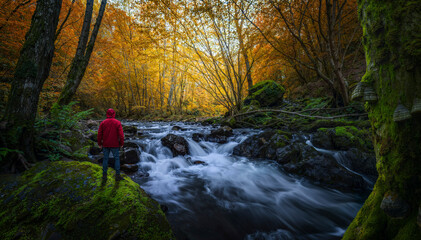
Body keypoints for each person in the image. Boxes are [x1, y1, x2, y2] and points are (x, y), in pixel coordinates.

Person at [97, 108, 124, 181]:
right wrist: (121, 143)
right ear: (114, 114)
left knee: (105, 159)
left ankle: (104, 175)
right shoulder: (117, 122)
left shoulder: (103, 122)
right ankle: (117, 175)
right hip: (115, 144)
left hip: (105, 144)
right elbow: (121, 135)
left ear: (107, 114)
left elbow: (99, 134)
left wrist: (99, 143)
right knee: (116, 159)